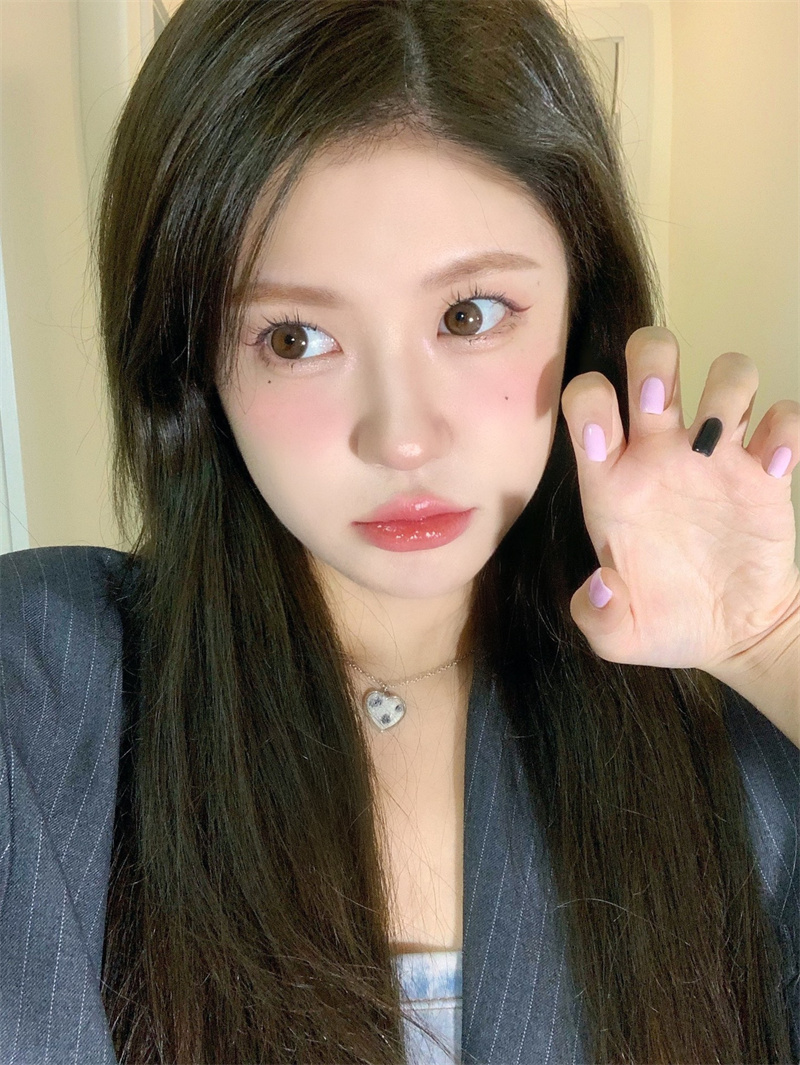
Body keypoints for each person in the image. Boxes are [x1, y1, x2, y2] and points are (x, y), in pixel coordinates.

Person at [0, 0, 797, 1062]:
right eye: (295, 337)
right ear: (191, 361)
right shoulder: (43, 685)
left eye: (469, 315)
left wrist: (777, 645)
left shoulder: (728, 722)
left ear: (580, 305)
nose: (403, 438)